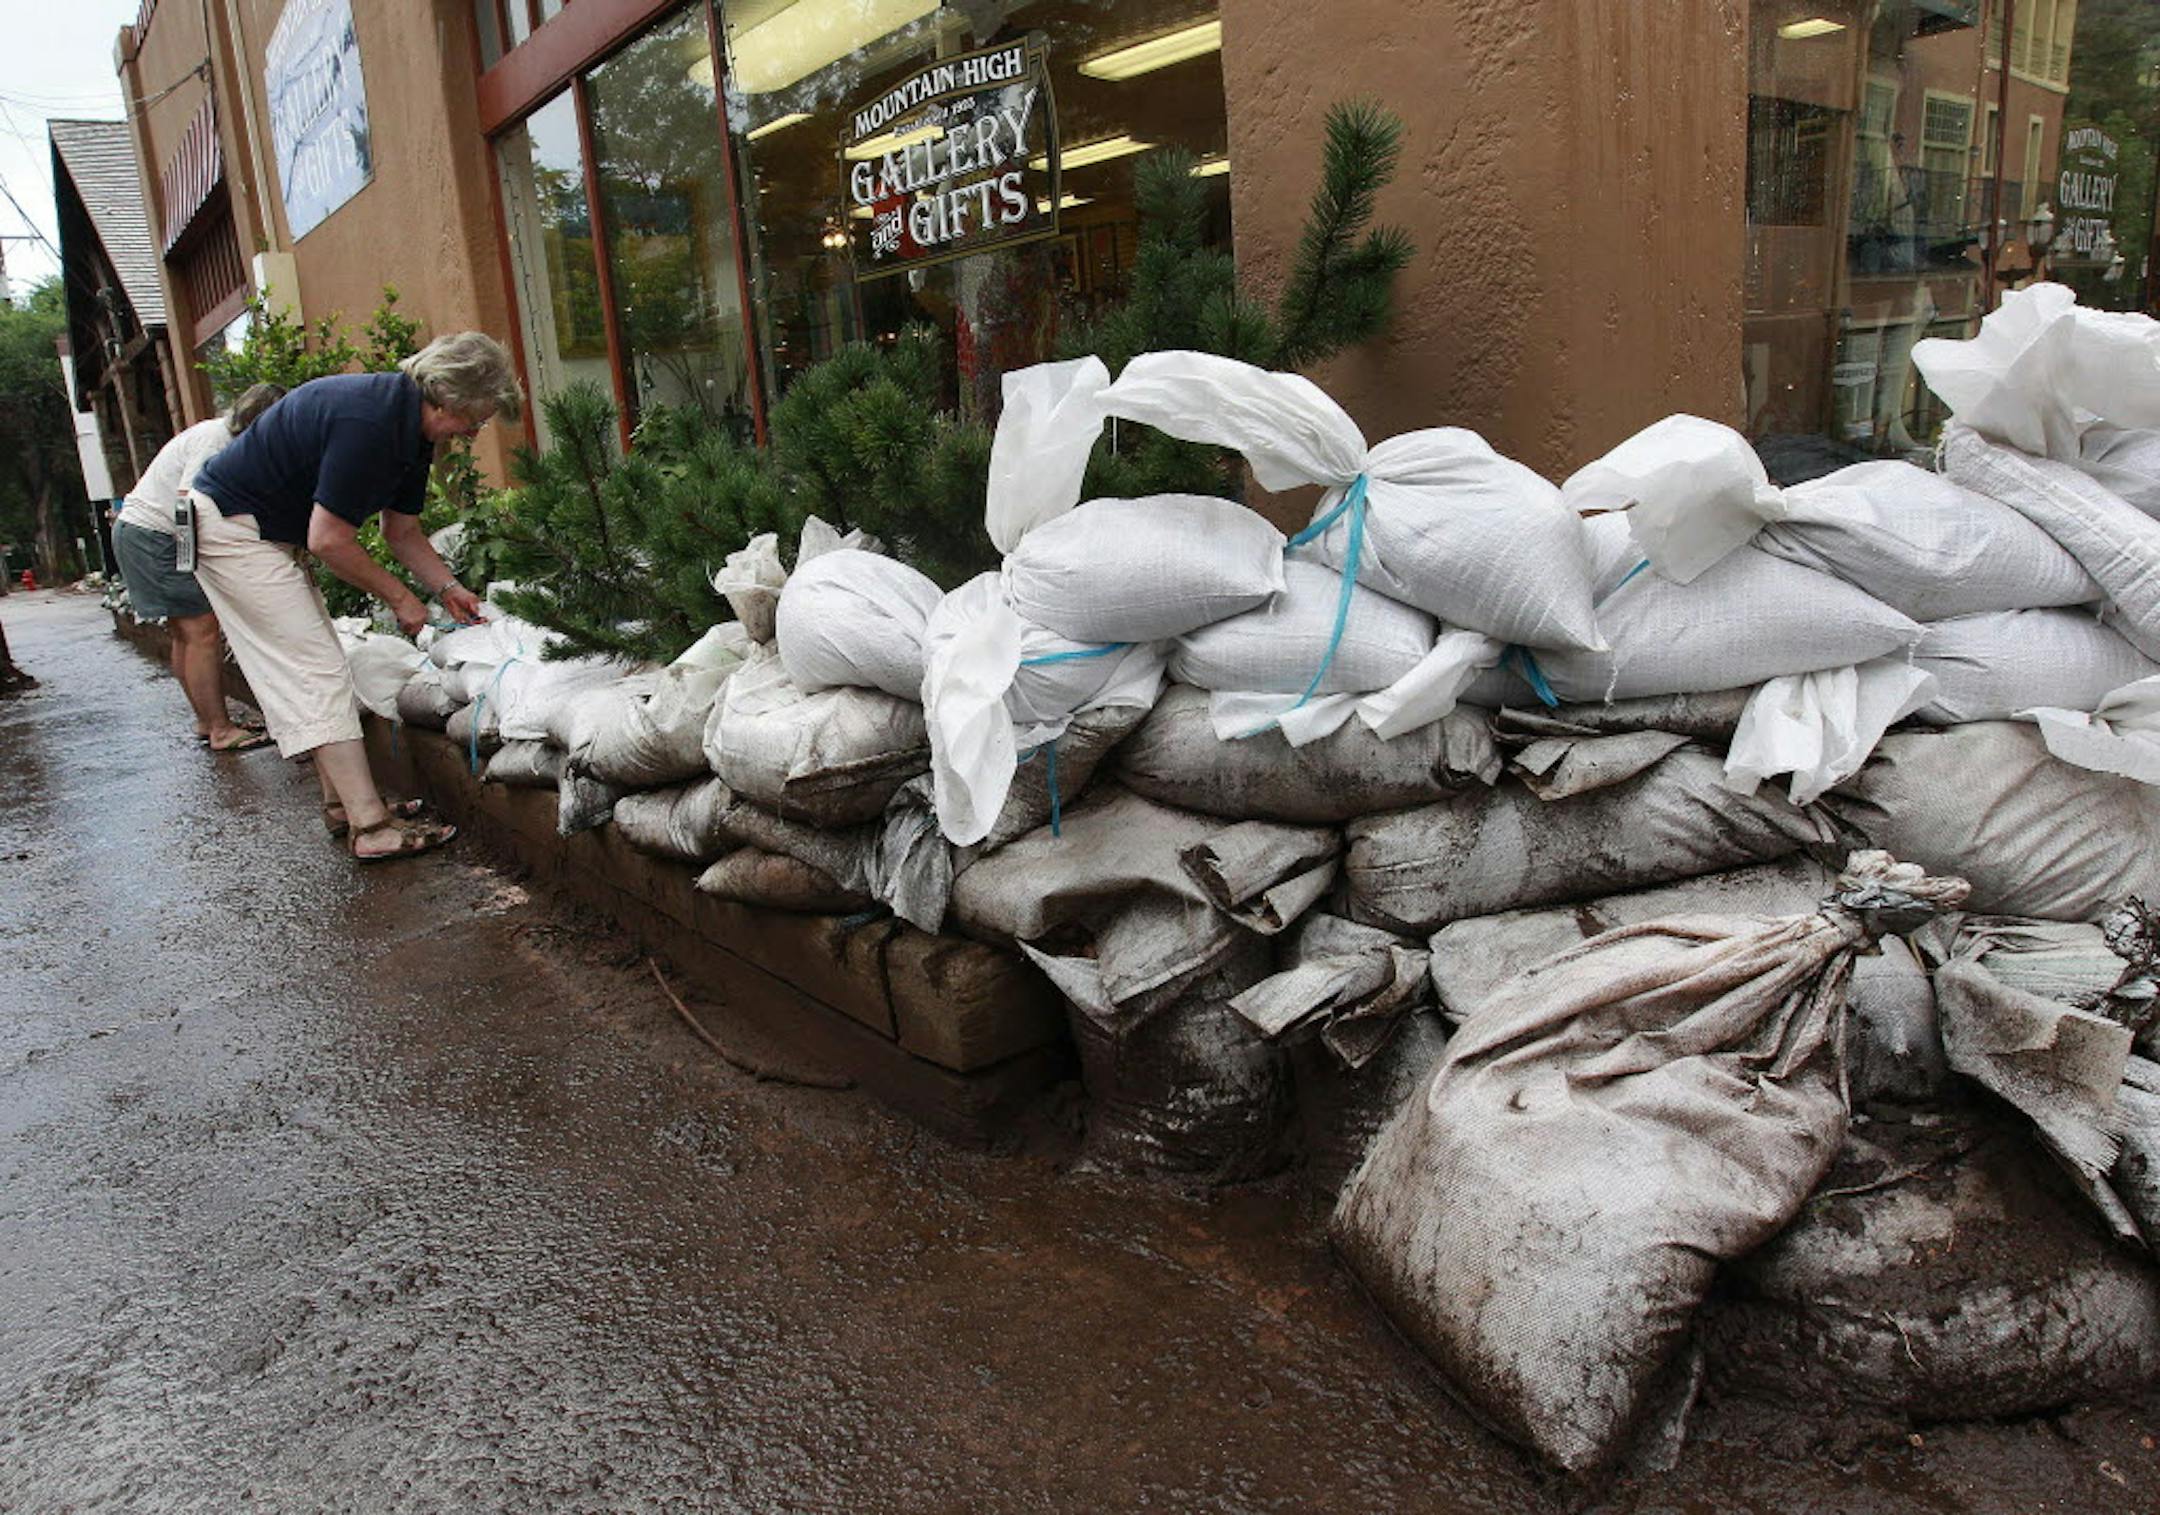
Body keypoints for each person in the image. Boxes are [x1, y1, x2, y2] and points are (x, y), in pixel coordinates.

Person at [189, 332, 524, 862]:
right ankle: (370, 827)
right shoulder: (368, 422)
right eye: (474, 419)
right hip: (234, 531)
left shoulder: (413, 433)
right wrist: (402, 601)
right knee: (316, 671)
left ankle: (344, 805)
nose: (473, 431)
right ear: (447, 397)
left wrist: (450, 589)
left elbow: (403, 532)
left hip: (264, 533)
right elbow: (328, 541)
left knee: (320, 665)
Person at [111, 384, 287, 752]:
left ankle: (207, 721)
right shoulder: (216, 440)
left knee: (185, 634)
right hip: (157, 536)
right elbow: (188, 505)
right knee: (202, 631)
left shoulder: (217, 435)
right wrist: (211, 562)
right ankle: (220, 729)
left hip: (141, 532)